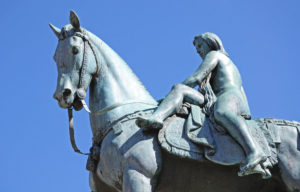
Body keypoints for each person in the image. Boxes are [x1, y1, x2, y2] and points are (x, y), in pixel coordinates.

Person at [136, 32, 266, 175]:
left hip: (228, 95)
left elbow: (196, 78)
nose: (197, 50)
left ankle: (254, 151)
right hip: (215, 99)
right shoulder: (229, 64)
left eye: (200, 45)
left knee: (222, 112)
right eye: (196, 47)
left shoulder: (215, 55)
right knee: (179, 89)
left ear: (211, 43)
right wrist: (169, 98)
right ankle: (157, 117)